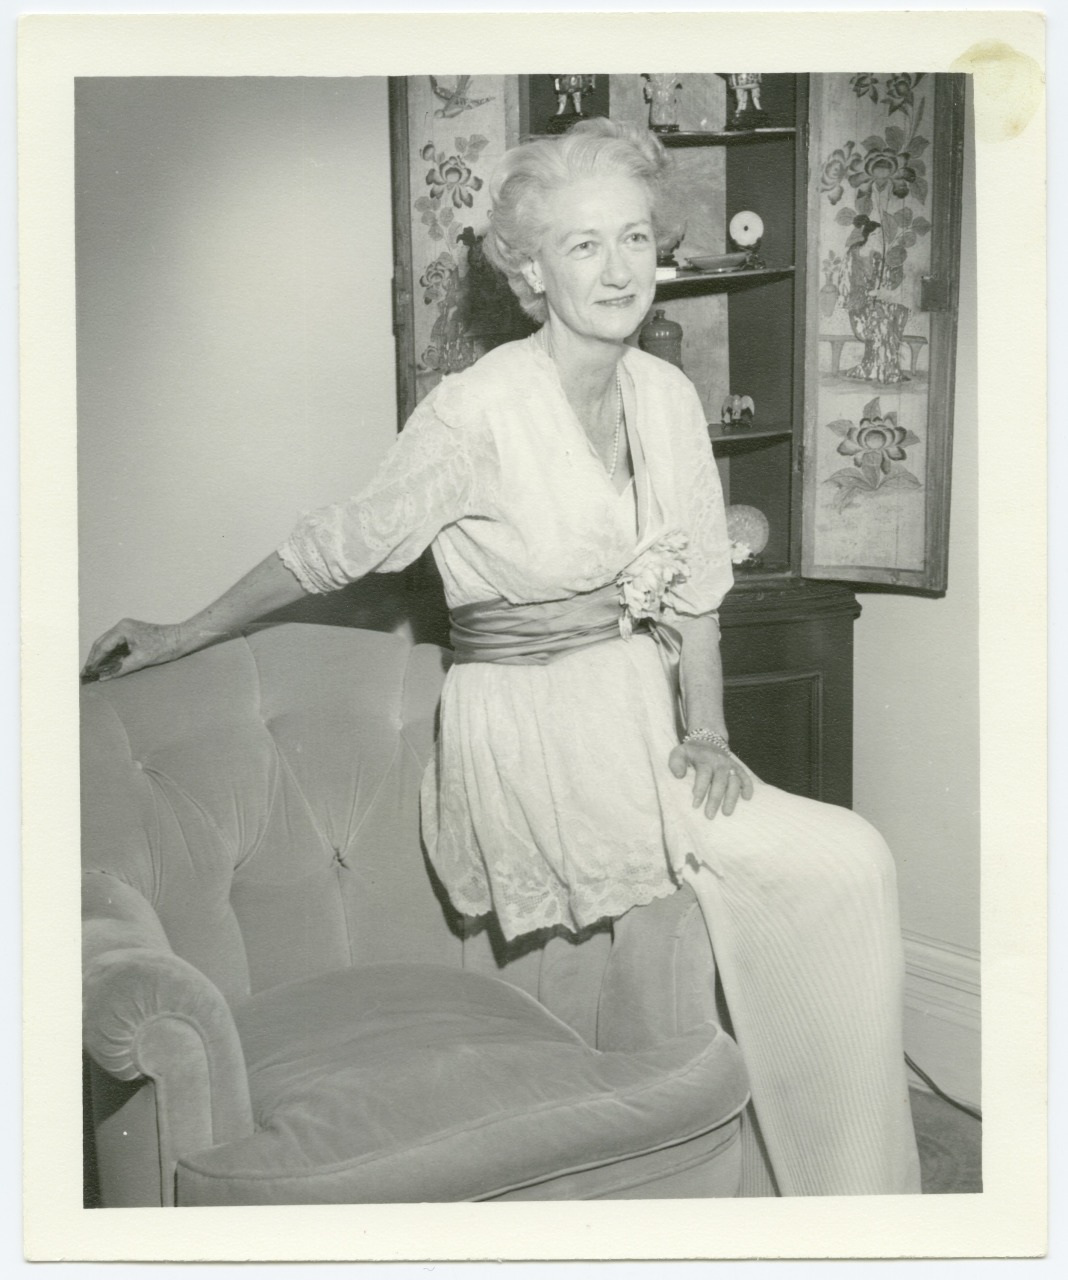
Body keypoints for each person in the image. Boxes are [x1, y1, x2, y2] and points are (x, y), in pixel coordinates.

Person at [81, 118, 921, 1198]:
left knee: (842, 866)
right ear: (529, 269)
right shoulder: (475, 413)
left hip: (640, 721)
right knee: (834, 865)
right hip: (526, 734)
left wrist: (707, 727)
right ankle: (822, 1193)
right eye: (582, 246)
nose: (619, 270)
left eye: (633, 238)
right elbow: (335, 543)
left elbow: (699, 589)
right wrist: (185, 629)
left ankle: (829, 1193)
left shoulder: (666, 398)